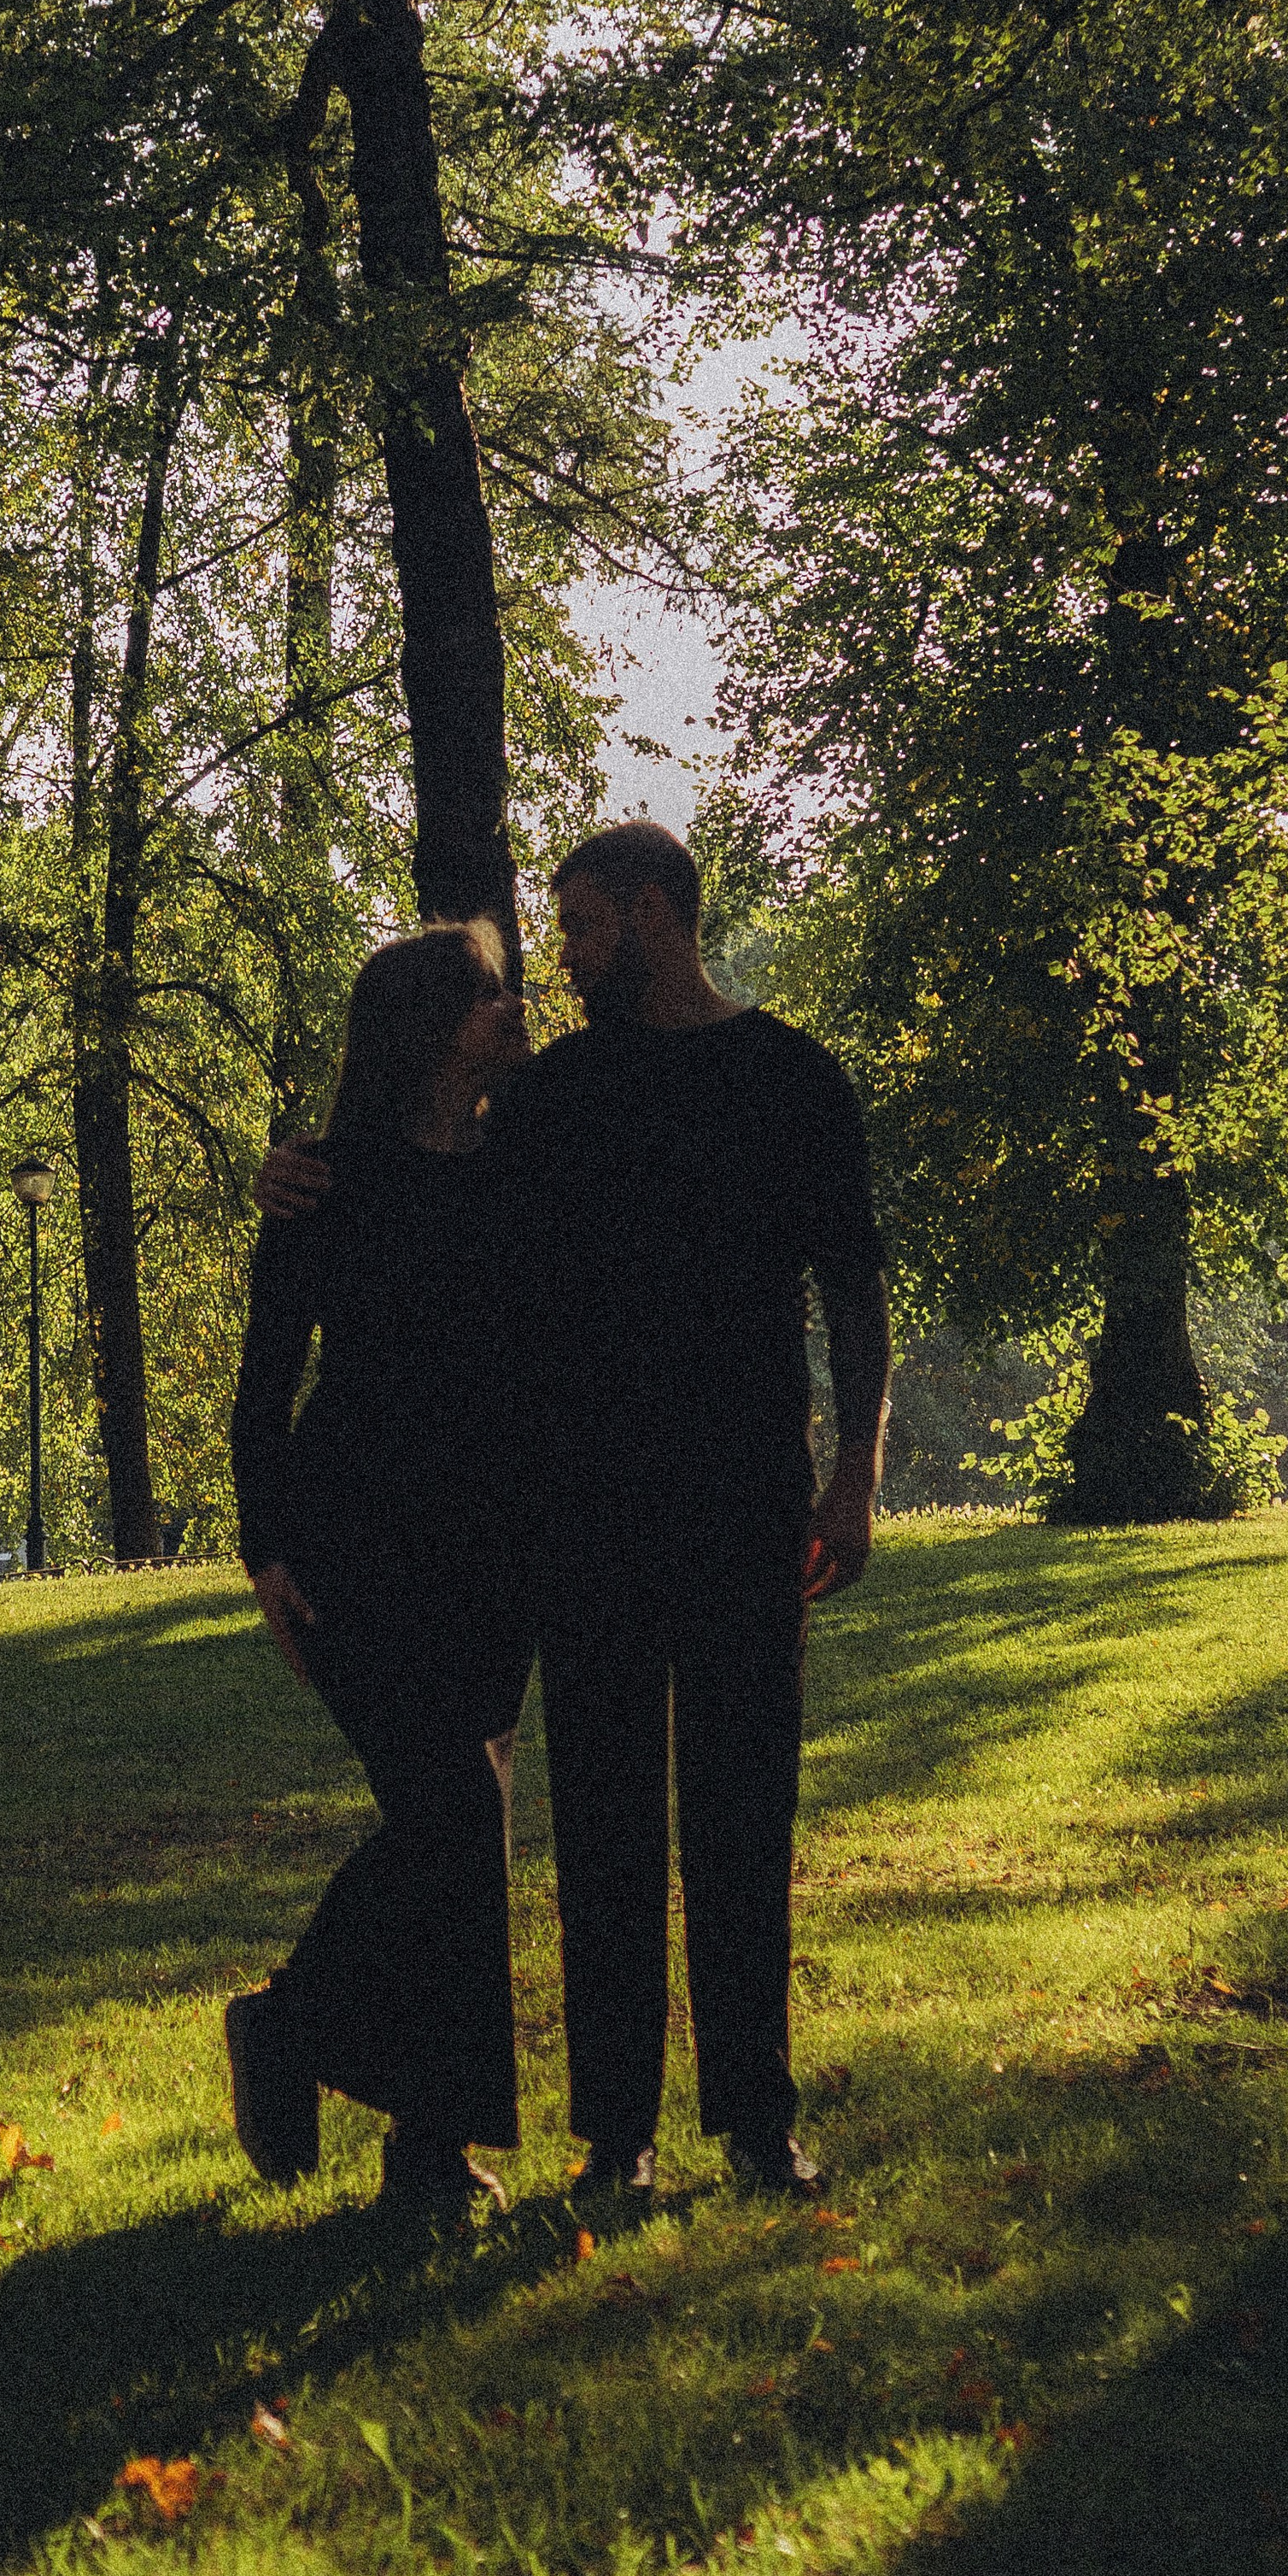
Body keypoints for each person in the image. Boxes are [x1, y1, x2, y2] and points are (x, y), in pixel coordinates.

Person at [258, 819, 890, 2202]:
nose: (564, 958)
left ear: (657, 914)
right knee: (605, 1829)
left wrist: (857, 1470)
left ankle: (757, 2118)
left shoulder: (789, 1080)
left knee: (742, 1817)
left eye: (585, 925)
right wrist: (299, 1176)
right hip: (581, 1519)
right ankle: (617, 2139)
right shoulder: (549, 1102)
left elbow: (854, 1284)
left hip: (744, 1509)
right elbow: (413, 1185)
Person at [225, 919, 535, 2217]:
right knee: (455, 1817)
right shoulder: (324, 1183)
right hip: (356, 1543)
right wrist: (267, 1553)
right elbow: (261, 1390)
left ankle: (425, 2153)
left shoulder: (523, 1164)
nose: (509, 1008)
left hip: (493, 1549)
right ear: (423, 1024)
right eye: (483, 996)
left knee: (456, 1835)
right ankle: (295, 2028)